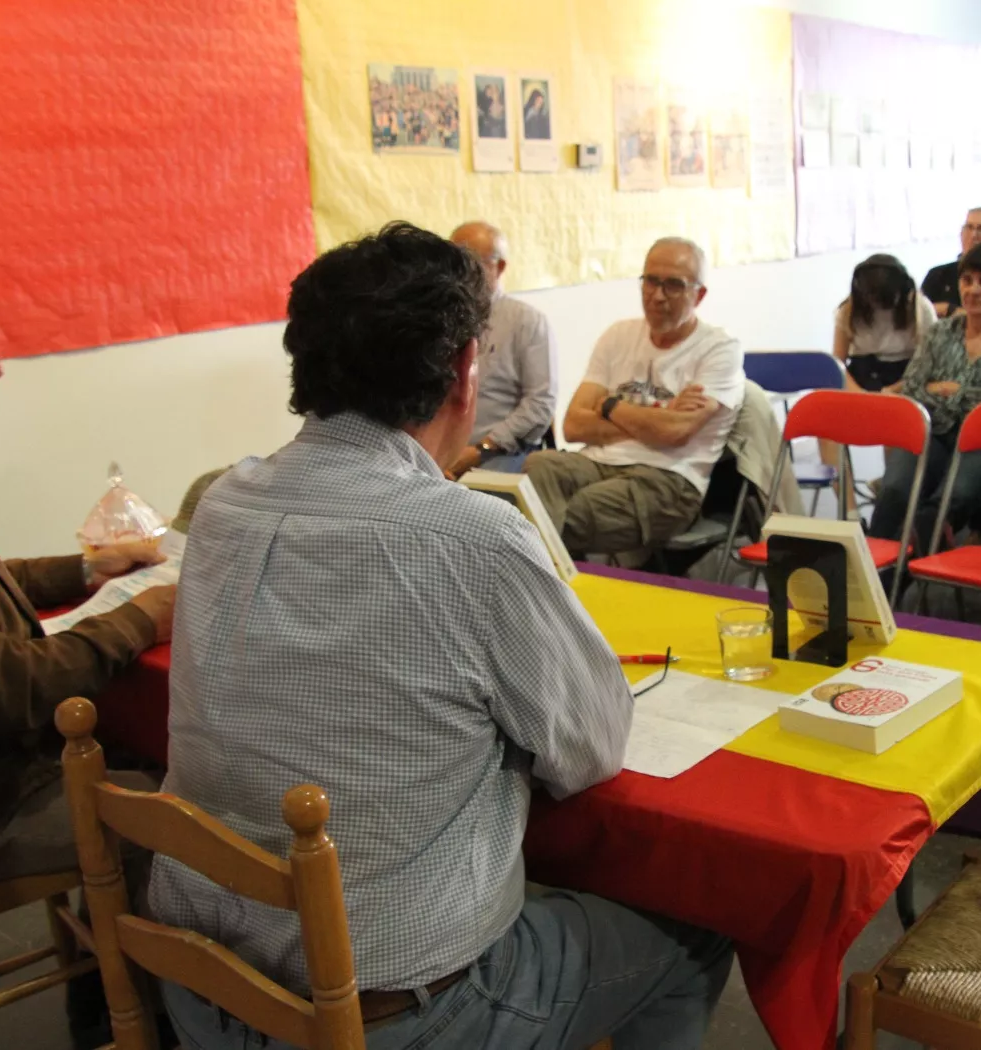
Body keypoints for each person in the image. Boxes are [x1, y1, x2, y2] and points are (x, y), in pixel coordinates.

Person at [149, 222, 732, 1050]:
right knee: (693, 934)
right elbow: (594, 744)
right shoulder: (472, 538)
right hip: (396, 1012)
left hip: (208, 986)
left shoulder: (223, 501)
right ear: (465, 373)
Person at [0, 277, 175, 1046]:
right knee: (173, 810)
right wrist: (142, 614)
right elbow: (9, 688)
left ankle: (103, 1004)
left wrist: (87, 572)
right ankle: (159, 1025)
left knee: (127, 751)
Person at [525, 238, 743, 556]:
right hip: (598, 462)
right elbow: (571, 425)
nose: (657, 296)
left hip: (668, 479)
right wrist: (661, 414)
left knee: (564, 516)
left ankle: (547, 591)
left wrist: (608, 405)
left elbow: (675, 433)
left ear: (700, 294)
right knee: (539, 465)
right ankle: (552, 586)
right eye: (651, 281)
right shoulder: (618, 336)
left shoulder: (719, 349)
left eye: (673, 285)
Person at [870, 242, 981, 552]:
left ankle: (894, 583)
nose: (973, 289)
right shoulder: (939, 333)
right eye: (967, 280)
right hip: (935, 436)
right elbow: (912, 390)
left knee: (946, 501)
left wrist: (950, 390)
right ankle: (865, 578)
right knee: (894, 490)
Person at [447, 222, 557, 475]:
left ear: (500, 267)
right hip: (442, 451)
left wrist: (480, 449)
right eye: (454, 263)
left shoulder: (526, 321)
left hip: (500, 451)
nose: (459, 274)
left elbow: (540, 403)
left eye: (471, 263)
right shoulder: (442, 319)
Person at [833, 254, 937, 394]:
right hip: (861, 377)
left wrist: (890, 391)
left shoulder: (921, 308)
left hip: (906, 378)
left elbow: (929, 366)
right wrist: (860, 393)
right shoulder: (848, 310)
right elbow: (838, 364)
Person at [921, 204, 981, 317]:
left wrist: (949, 310)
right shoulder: (938, 275)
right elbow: (918, 314)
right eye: (969, 227)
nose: (973, 235)